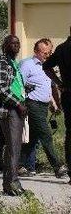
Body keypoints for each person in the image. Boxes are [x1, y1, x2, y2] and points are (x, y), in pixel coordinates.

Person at [19, 39, 68, 178]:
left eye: (49, 52)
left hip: (43, 106)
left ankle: (19, 164)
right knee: (46, 134)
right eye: (44, 52)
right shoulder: (27, 64)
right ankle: (57, 167)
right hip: (31, 103)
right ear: (36, 51)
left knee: (33, 137)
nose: (47, 55)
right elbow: (19, 84)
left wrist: (53, 103)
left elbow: (47, 87)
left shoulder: (48, 66)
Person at [0, 35, 27, 196]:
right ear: (4, 46)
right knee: (13, 148)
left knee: (14, 147)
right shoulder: (2, 63)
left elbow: (13, 85)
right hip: (9, 110)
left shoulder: (14, 64)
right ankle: (13, 183)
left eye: (17, 43)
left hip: (16, 109)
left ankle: (8, 184)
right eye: (12, 43)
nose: (16, 46)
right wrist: (17, 103)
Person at [43, 25, 71, 185]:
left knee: (70, 132)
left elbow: (46, 67)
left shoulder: (61, 49)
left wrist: (59, 83)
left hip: (67, 93)